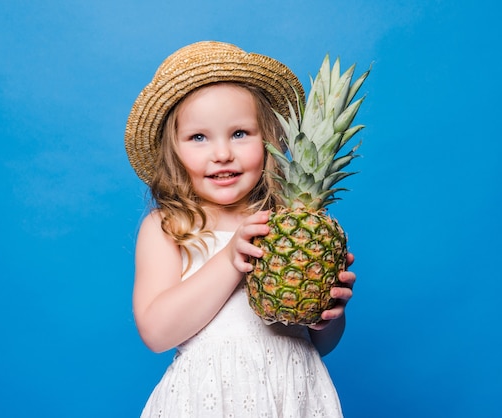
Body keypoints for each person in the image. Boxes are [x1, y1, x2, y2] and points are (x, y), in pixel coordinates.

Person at [124, 41, 356, 417]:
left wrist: (329, 313)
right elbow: (156, 332)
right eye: (199, 137)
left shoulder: (289, 226)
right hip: (209, 399)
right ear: (175, 150)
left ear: (269, 140)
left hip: (293, 393)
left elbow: (317, 343)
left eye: (240, 133)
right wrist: (230, 259)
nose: (222, 154)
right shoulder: (168, 226)